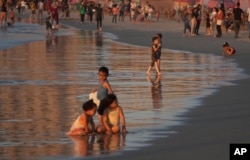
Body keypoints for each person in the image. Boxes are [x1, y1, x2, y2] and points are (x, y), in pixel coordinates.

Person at [90, 66, 113, 133]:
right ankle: (102, 122)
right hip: (99, 100)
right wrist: (95, 89)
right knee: (101, 112)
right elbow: (99, 87)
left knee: (100, 112)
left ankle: (101, 123)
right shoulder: (100, 81)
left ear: (107, 75)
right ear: (98, 74)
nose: (102, 77)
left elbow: (110, 90)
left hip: (104, 100)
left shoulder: (106, 83)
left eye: (104, 76)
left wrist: (112, 98)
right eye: (100, 75)